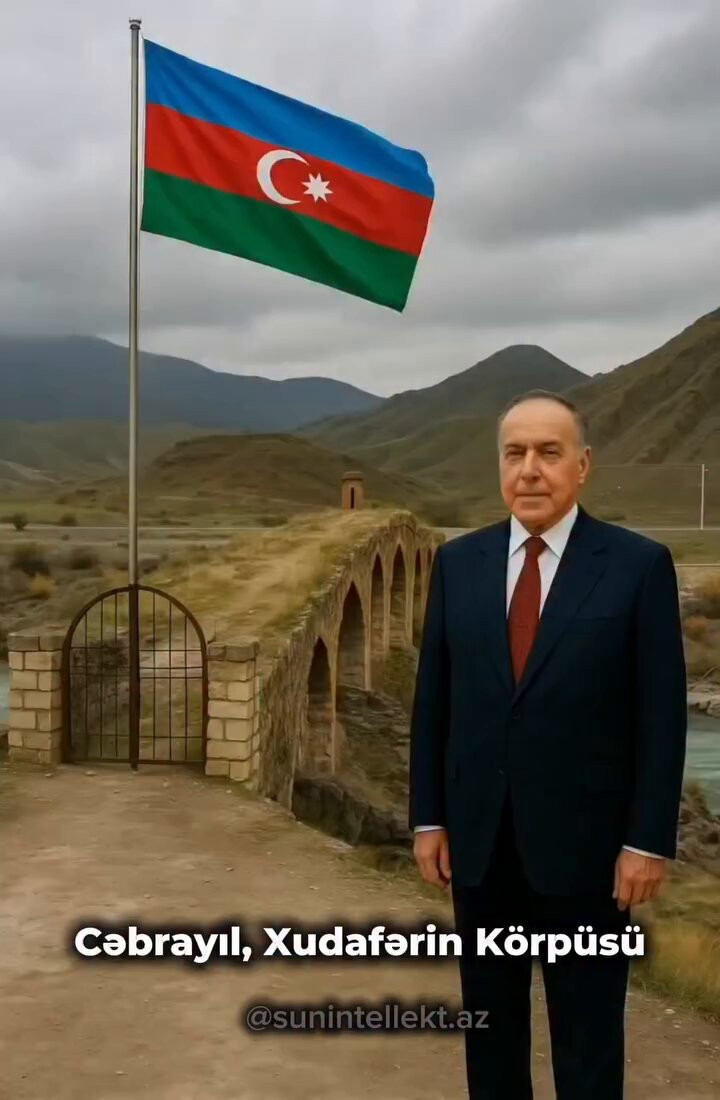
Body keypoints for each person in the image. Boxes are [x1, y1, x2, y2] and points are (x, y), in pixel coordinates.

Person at [408, 390, 687, 1099]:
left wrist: (647, 841)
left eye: (548, 452)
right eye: (515, 453)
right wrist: (429, 818)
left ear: (582, 465)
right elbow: (435, 700)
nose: (529, 469)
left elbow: (661, 716)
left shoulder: (637, 565)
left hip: (591, 853)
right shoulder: (458, 563)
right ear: (500, 465)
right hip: (480, 844)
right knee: (490, 1033)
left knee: (587, 1038)